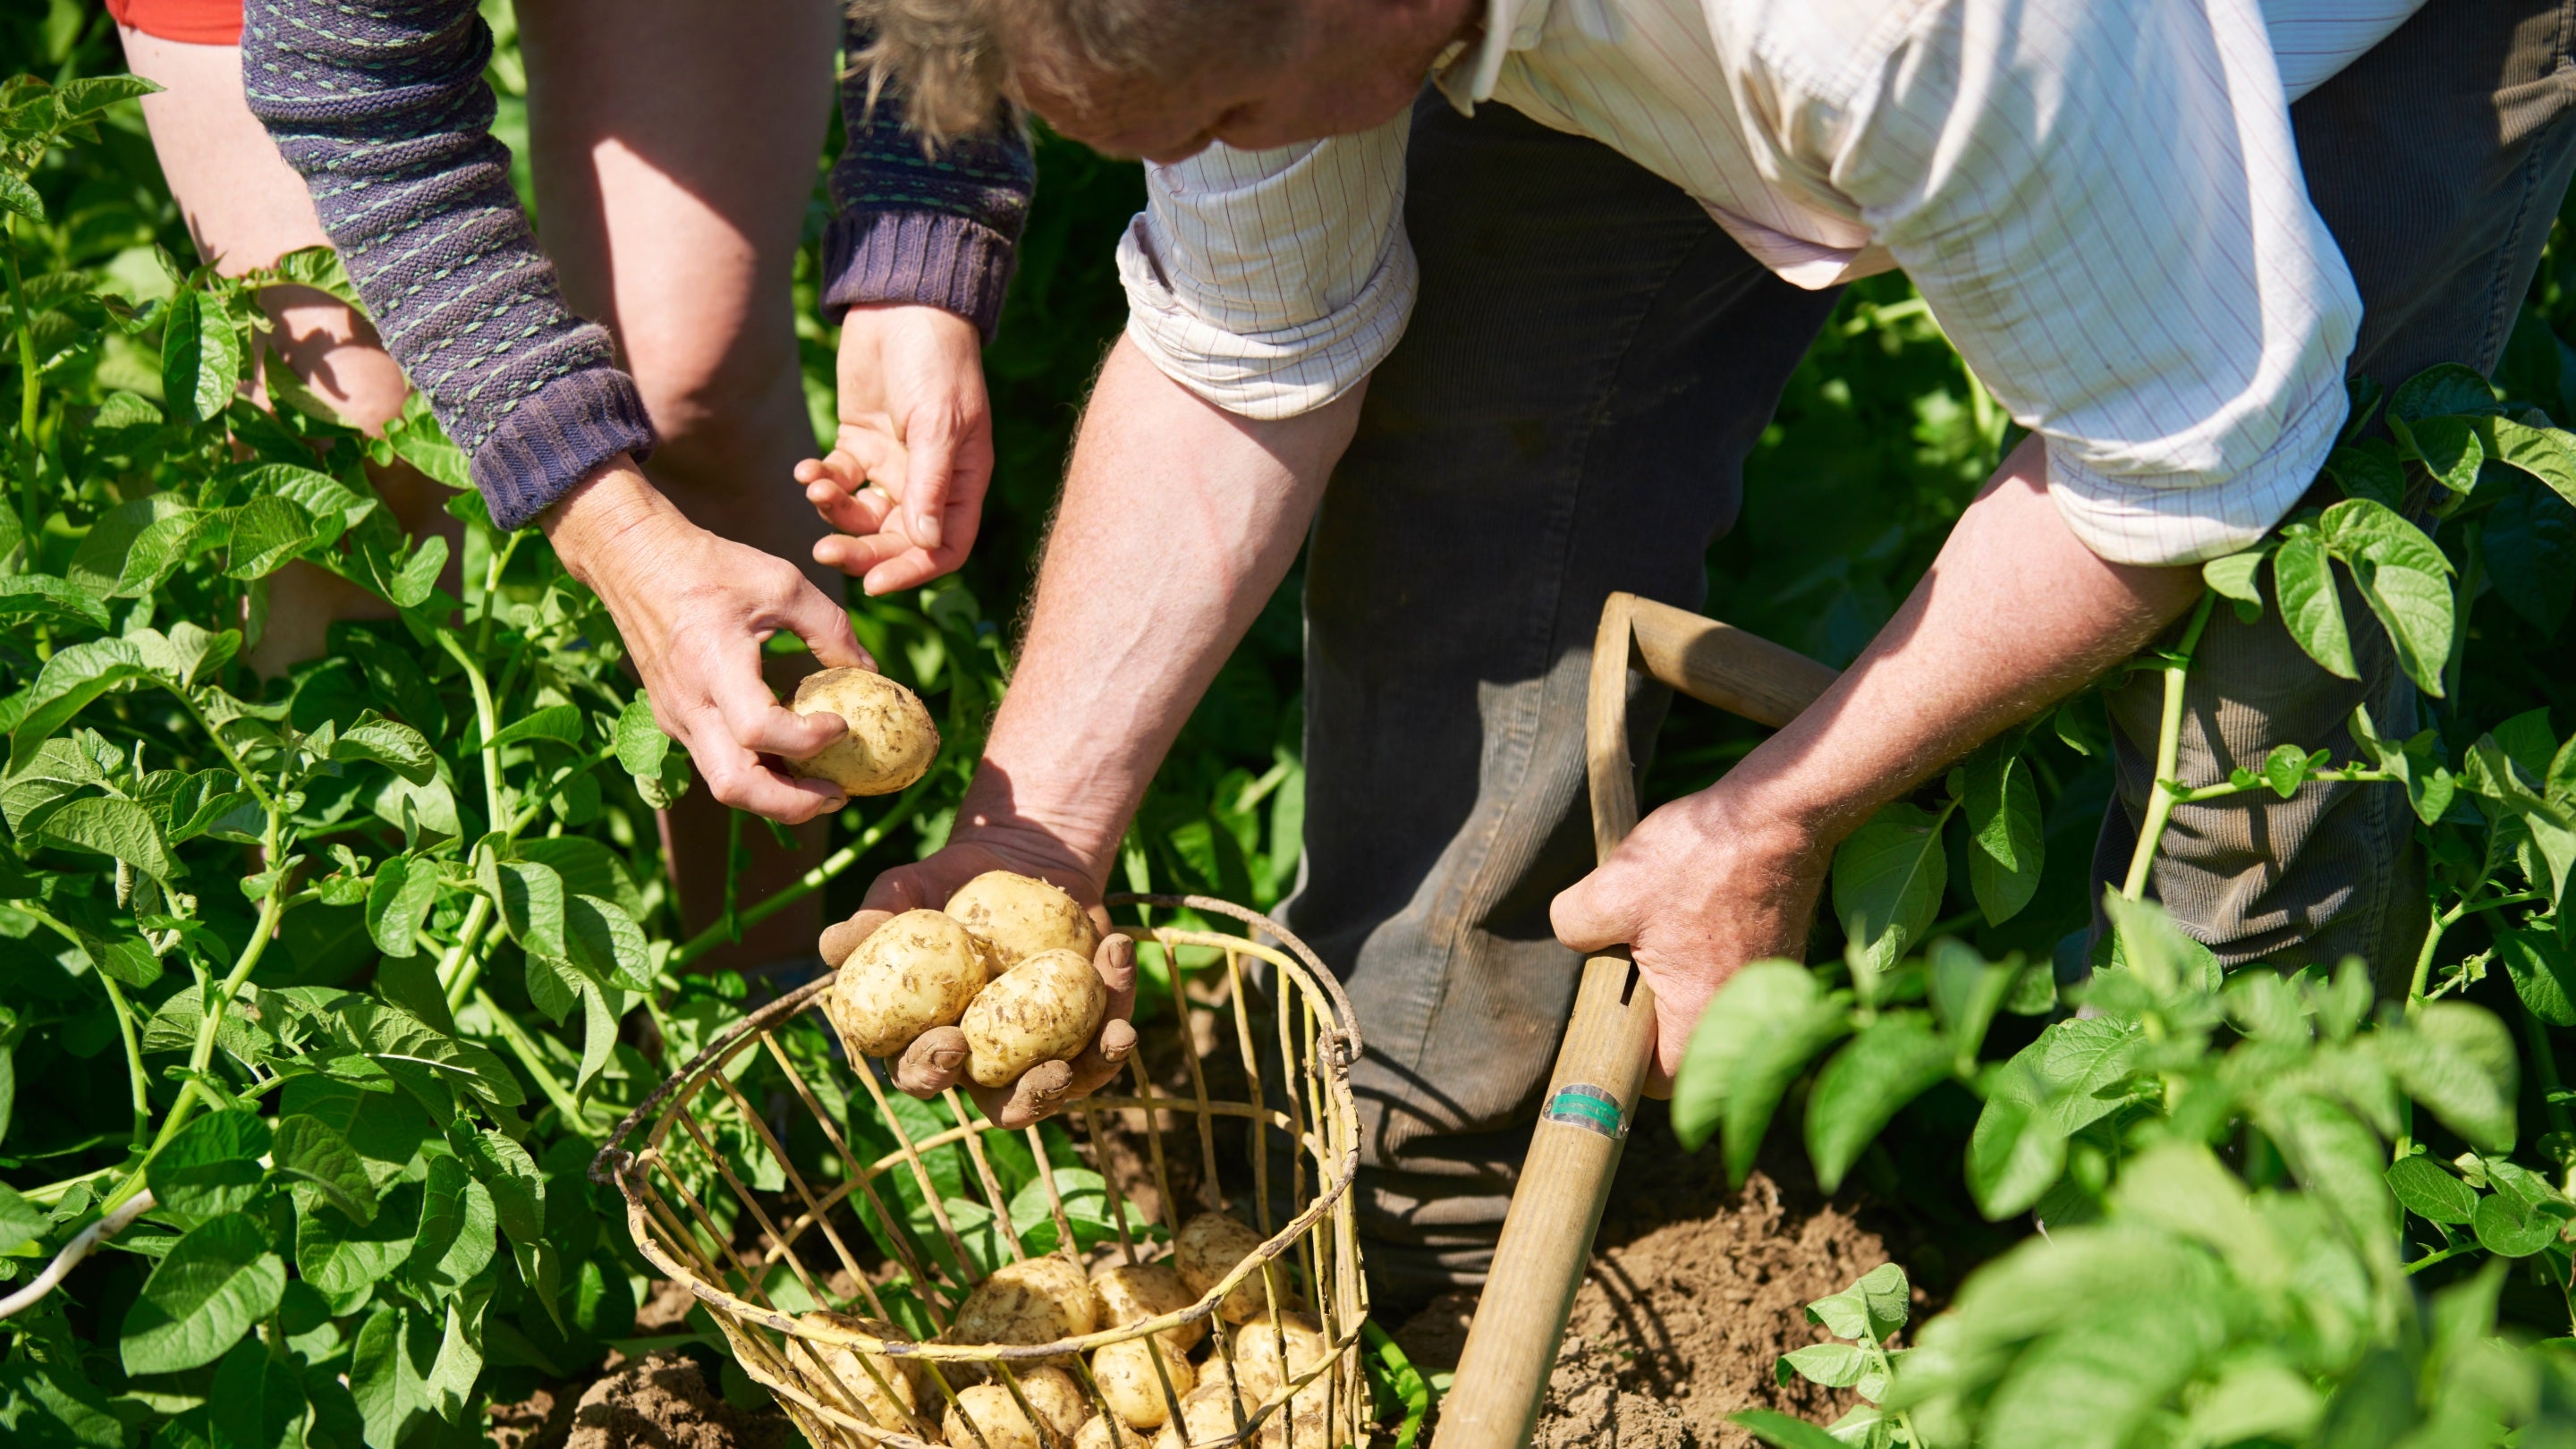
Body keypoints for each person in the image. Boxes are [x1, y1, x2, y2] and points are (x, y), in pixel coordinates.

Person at [825, 0, 2576, 1308]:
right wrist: (1027, 836)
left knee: (2256, 730)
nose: (1199, 156)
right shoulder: (1260, 30)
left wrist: (1771, 821)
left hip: (2360, 34)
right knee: (1481, 453)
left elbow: (2186, 452)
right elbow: (1246, 346)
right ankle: (1433, 1200)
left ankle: (2222, 1295)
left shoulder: (1878, 25)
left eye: (1221, 109)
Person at [190, 0, 1017, 972]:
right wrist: (603, 520)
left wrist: (923, 251)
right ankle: (350, 1044)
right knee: (349, 457)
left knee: (694, 389)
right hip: (321, 32)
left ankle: (764, 1019)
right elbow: (348, 89)